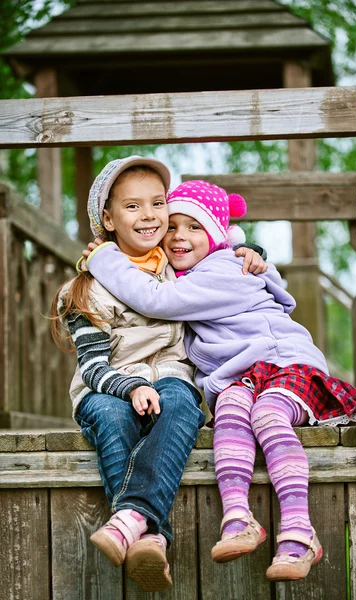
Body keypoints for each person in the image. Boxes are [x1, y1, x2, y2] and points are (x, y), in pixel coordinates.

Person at [82, 179, 356, 583]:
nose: (180, 236)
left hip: (285, 366)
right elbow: (159, 283)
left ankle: (300, 532)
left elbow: (156, 300)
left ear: (217, 236)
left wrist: (104, 258)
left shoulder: (223, 269)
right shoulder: (191, 275)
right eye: (172, 226)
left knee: (266, 415)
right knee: (228, 410)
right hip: (244, 378)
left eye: (195, 227)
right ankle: (238, 519)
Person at [51, 157, 267, 592]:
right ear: (108, 220)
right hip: (108, 384)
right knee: (113, 419)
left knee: (184, 404)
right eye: (132, 207)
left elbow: (216, 250)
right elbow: (92, 367)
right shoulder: (87, 287)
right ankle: (151, 535)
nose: (149, 215)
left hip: (169, 373)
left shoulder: (175, 263)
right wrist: (130, 387)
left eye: (157, 203)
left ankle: (129, 520)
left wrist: (252, 252)